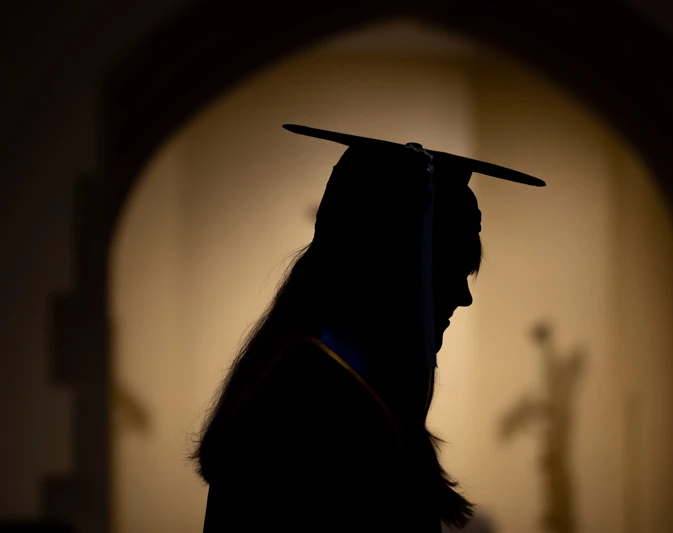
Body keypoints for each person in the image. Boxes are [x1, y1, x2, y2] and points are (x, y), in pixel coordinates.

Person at [193, 126, 544, 532]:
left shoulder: (322, 381)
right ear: (391, 265)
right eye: (449, 269)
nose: (463, 296)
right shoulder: (311, 415)